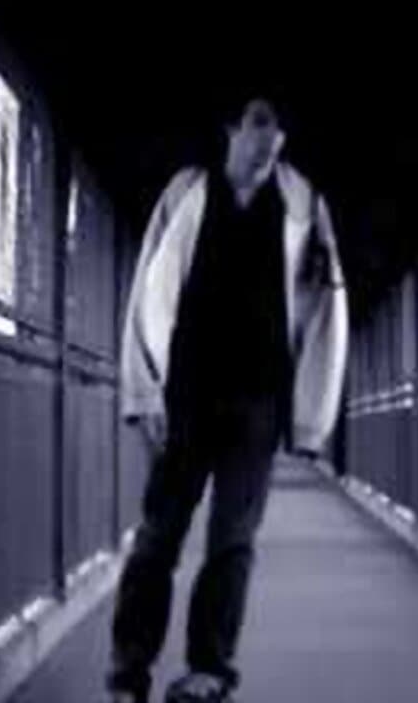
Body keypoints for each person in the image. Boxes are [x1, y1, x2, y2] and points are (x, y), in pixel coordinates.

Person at [106, 96, 349, 703]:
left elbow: (328, 308)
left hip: (258, 401)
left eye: (281, 126)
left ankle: (209, 670)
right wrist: (142, 391)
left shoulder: (304, 204)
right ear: (231, 128)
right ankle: (128, 673)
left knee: (233, 539)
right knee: (158, 536)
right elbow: (147, 290)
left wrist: (311, 418)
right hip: (184, 395)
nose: (273, 137)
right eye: (261, 121)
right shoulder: (187, 192)